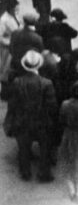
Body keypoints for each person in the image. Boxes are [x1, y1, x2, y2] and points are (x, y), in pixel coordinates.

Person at [8, 50, 57, 181]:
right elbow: (51, 105)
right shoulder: (47, 83)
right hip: (42, 122)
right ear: (38, 65)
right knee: (45, 148)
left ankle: (25, 172)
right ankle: (44, 173)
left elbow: (12, 104)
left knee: (23, 148)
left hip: (23, 121)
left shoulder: (17, 82)